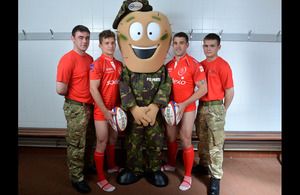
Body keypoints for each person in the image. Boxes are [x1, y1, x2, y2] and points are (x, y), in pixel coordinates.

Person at [161, 32, 207, 191]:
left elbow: (203, 88)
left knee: (186, 139)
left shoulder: (193, 64)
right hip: (171, 109)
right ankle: (172, 164)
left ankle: (187, 176)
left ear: (187, 45)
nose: (178, 46)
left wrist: (184, 104)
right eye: (175, 43)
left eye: (181, 43)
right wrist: (163, 107)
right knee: (171, 137)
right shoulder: (167, 66)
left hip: (187, 108)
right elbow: (163, 90)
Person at [56, 25, 96, 194]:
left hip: (89, 106)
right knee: (76, 144)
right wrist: (76, 94)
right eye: (80, 37)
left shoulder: (89, 58)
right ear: (73, 38)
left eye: (87, 37)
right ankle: (76, 178)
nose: (84, 41)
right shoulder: (67, 59)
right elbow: (60, 89)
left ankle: (86, 166)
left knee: (89, 139)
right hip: (75, 107)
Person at [193, 33, 234, 195]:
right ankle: (203, 166)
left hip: (216, 107)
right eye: (205, 45)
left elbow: (230, 90)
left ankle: (215, 178)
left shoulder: (223, 65)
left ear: (218, 47)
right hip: (202, 107)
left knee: (216, 145)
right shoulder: (200, 65)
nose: (208, 49)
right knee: (202, 139)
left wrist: (223, 109)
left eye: (212, 46)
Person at [89, 30, 123, 192]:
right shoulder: (97, 64)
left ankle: (111, 166)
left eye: (112, 43)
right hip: (102, 111)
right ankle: (101, 179)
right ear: (100, 45)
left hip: (116, 111)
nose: (110, 46)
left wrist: (120, 108)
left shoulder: (119, 64)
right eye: (107, 43)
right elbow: (93, 90)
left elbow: (121, 89)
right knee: (101, 142)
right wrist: (105, 111)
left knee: (113, 139)